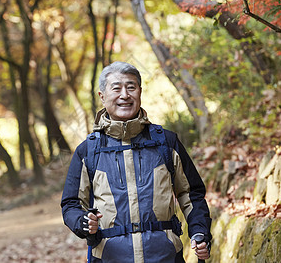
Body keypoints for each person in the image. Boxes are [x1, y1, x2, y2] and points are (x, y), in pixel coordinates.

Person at [61, 61, 212, 262]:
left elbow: (191, 194)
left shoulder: (165, 142)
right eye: (116, 88)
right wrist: (83, 223)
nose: (125, 95)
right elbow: (71, 204)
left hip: (165, 256)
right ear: (102, 96)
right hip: (109, 257)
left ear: (140, 92)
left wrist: (199, 233)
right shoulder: (88, 150)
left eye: (131, 87)